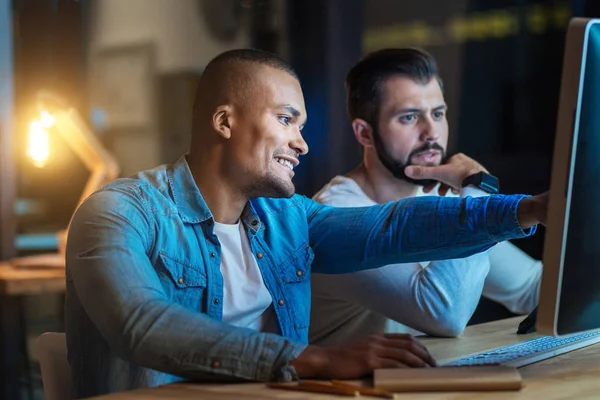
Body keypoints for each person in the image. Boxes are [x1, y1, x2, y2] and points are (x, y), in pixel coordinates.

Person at [65, 48, 547, 398]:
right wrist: (309, 359)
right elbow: (141, 324)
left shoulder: (288, 218)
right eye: (286, 120)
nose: (302, 144)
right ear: (224, 122)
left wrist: (526, 209)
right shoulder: (118, 213)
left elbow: (393, 227)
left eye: (302, 127)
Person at [309, 48, 543, 347]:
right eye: (409, 117)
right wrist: (479, 188)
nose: (431, 132)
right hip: (348, 391)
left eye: (438, 114)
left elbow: (529, 287)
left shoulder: (437, 198)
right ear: (364, 133)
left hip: (418, 383)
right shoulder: (336, 213)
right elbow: (445, 315)